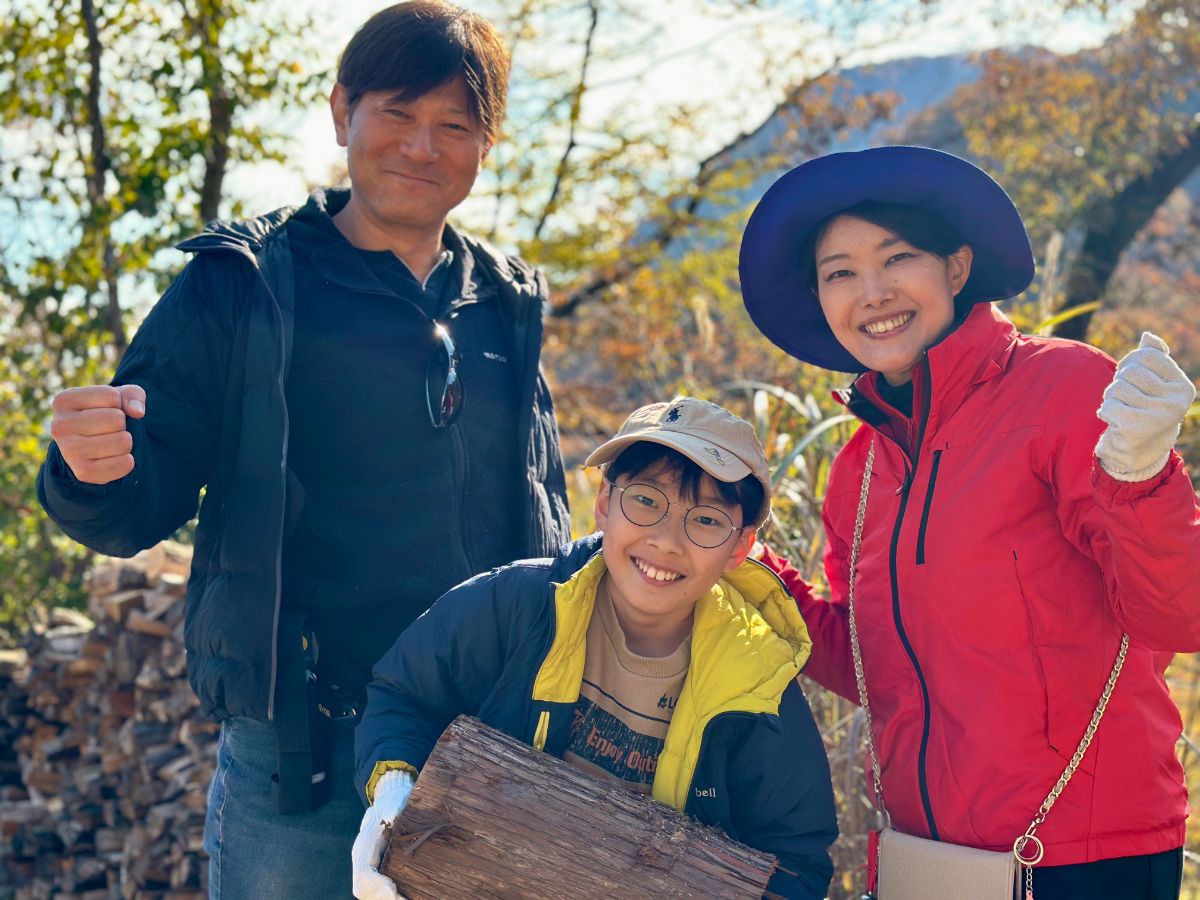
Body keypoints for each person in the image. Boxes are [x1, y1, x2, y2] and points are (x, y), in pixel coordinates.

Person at [36, 3, 570, 897]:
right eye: (397, 113)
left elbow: (542, 510)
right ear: (342, 113)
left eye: (455, 126)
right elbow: (137, 498)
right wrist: (90, 468)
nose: (421, 146)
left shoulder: (504, 307)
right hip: (305, 752)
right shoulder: (244, 283)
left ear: (486, 147)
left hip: (480, 746)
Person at [738, 145, 1200, 899]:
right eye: (841, 273)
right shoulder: (860, 466)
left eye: (898, 258)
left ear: (956, 268)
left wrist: (1142, 476)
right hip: (928, 859)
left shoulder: (1064, 387)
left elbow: (1178, 615)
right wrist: (738, 559)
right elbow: (871, 665)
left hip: (1084, 855)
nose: (874, 292)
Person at [350, 397, 839, 900]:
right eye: (647, 500)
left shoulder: (758, 686)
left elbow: (796, 856)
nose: (667, 541)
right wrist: (393, 798)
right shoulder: (516, 605)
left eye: (708, 520)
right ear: (604, 502)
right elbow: (404, 697)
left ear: (740, 547)